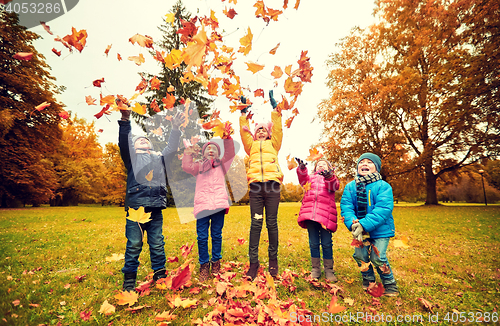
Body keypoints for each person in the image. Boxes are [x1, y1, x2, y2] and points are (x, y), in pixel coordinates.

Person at [118, 100, 183, 292]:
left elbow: (171, 148)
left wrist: (176, 129)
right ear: (134, 147)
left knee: (157, 243)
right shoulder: (131, 158)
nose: (143, 140)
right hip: (136, 208)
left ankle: (160, 274)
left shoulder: (159, 159)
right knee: (134, 244)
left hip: (155, 208)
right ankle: (129, 280)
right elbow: (124, 141)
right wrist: (125, 119)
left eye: (146, 140)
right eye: (139, 140)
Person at [340, 153, 399, 296]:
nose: (364, 164)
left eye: (369, 162)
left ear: (377, 168)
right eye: (361, 162)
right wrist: (353, 224)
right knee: (360, 255)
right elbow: (346, 207)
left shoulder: (383, 186)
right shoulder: (350, 187)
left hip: (380, 230)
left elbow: (383, 209)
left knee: (378, 257)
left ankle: (389, 284)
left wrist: (364, 224)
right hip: (359, 230)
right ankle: (368, 280)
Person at [239, 91, 283, 280]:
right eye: (258, 130)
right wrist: (243, 114)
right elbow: (244, 132)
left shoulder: (274, 144)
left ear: (269, 132)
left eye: (264, 129)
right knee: (256, 224)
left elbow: (279, 129)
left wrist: (275, 110)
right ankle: (254, 263)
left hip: (272, 187)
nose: (261, 131)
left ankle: (273, 261)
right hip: (256, 188)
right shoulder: (251, 146)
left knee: (271, 224)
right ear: (254, 134)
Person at [182, 135, 235, 282]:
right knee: (202, 237)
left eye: (214, 149)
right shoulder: (198, 166)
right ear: (203, 153)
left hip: (218, 205)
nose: (211, 150)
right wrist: (189, 152)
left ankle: (216, 262)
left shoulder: (222, 165)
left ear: (218, 153)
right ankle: (204, 264)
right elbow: (186, 166)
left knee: (217, 235)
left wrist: (227, 138)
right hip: (203, 206)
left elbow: (230, 153)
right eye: (208, 148)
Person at [296, 158, 339, 281]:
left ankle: (329, 270)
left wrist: (329, 176)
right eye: (318, 164)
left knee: (326, 243)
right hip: (311, 215)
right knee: (313, 243)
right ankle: (315, 269)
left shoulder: (331, 179)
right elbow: (302, 179)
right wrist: (302, 169)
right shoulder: (310, 178)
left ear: (329, 168)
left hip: (326, 215)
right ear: (315, 168)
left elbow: (334, 186)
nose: (321, 166)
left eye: (324, 164)